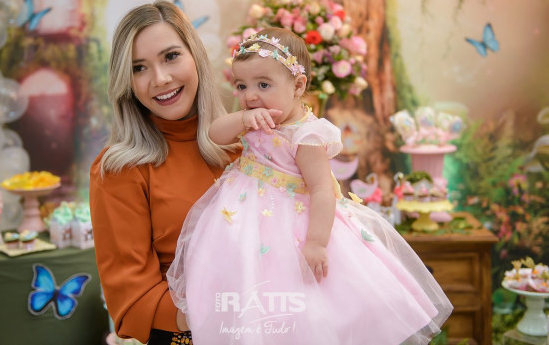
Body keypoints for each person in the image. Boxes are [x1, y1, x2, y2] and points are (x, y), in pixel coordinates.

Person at [167, 27, 453, 344]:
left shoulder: (306, 135)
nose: (250, 96)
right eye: (242, 85)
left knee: (291, 296)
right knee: (241, 279)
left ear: (298, 86)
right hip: (240, 216)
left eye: (263, 84)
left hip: (289, 221)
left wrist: (316, 242)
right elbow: (215, 134)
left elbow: (321, 190)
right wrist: (242, 120)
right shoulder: (252, 117)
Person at [89, 0, 237, 345]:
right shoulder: (120, 170)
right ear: (126, 81)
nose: (160, 79)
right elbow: (133, 300)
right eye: (139, 68)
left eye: (171, 56)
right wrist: (221, 314)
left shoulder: (245, 147)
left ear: (196, 56)